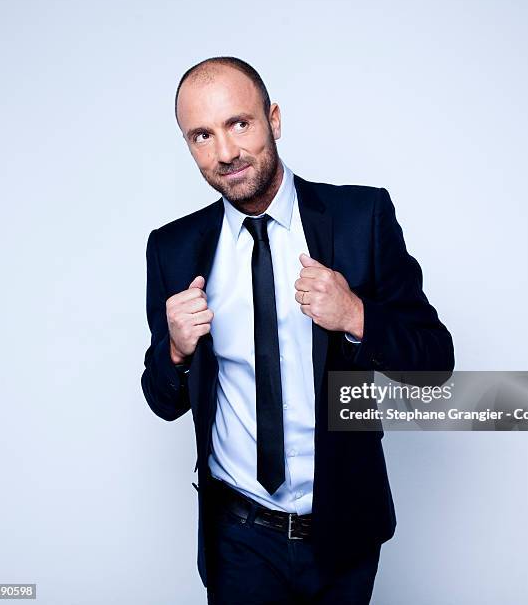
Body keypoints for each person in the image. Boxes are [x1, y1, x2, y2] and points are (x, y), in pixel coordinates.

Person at [140, 56, 454, 604]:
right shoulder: (173, 248)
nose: (226, 152)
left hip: (342, 531)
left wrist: (355, 314)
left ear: (274, 120)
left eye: (240, 123)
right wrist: (175, 349)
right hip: (238, 537)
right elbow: (163, 399)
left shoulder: (361, 217)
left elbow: (435, 363)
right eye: (202, 135)